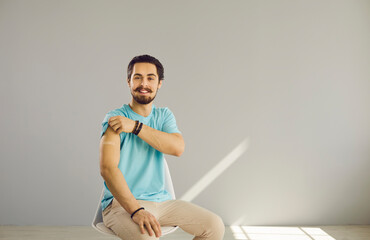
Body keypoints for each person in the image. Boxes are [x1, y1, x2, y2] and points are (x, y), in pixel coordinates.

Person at [99, 54, 225, 240]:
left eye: (151, 78)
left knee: (214, 226)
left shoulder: (164, 115)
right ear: (128, 81)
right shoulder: (115, 118)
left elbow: (177, 148)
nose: (144, 83)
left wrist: (135, 126)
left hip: (162, 202)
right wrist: (136, 211)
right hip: (121, 205)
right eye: (138, 77)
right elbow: (107, 169)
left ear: (159, 83)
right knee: (146, 238)